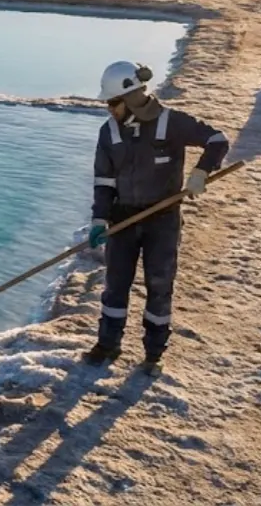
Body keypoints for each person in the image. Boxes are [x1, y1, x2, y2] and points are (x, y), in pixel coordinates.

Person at [83, 60, 229, 375]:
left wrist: (202, 170)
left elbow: (217, 140)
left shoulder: (171, 123)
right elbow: (104, 180)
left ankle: (153, 353)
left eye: (112, 103)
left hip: (162, 219)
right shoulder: (108, 133)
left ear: (132, 97)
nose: (109, 110)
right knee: (115, 285)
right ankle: (108, 344)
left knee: (160, 285)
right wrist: (99, 220)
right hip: (123, 220)